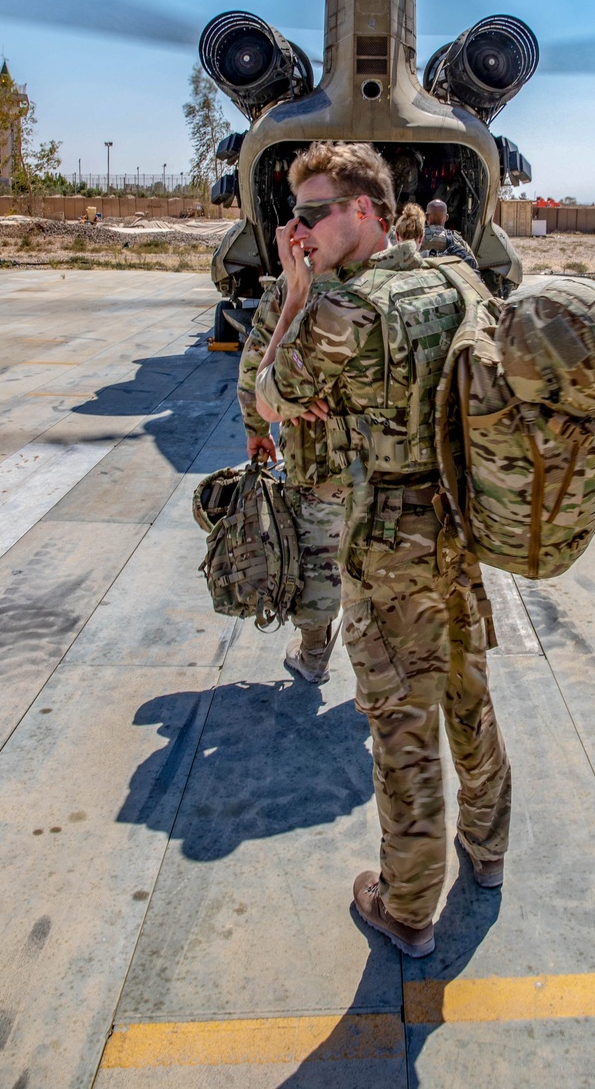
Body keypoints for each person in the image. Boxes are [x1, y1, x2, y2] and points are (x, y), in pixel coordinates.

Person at [256, 142, 510, 959]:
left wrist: (296, 294)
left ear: (364, 210)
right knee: (469, 696)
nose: (297, 232)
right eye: (292, 218)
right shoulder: (455, 279)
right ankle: (489, 846)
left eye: (314, 214)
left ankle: (406, 908)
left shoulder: (343, 312)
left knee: (402, 725)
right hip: (459, 533)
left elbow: (270, 399)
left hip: (388, 545)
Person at [237, 268, 346, 684]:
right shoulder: (397, 274)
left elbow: (253, 366)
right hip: (384, 460)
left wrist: (257, 429)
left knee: (317, 555)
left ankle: (314, 654)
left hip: (316, 458)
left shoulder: (297, 281)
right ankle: (388, 668)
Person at [421, 198, 480, 272]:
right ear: (446, 217)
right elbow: (474, 264)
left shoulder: (416, 238)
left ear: (426, 217)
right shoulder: (457, 239)